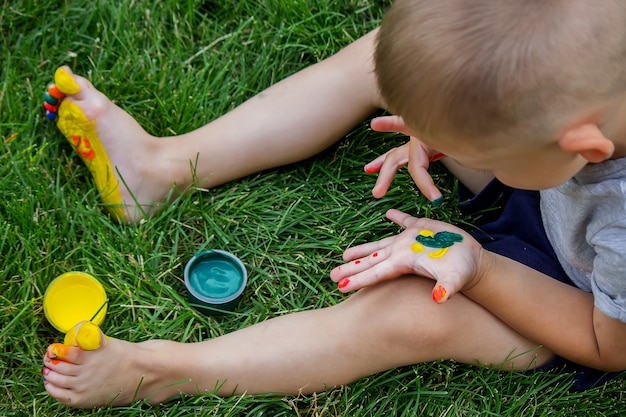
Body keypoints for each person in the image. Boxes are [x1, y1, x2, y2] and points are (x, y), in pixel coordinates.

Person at [42, 0, 626, 409]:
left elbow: (607, 346)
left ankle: (163, 373)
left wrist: (481, 269)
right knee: (403, 65)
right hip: (545, 177)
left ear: (582, 148)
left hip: (573, 298)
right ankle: (162, 172)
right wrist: (437, 122)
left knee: (413, 312)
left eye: (473, 151)